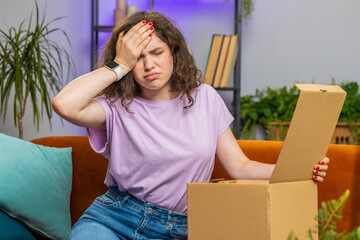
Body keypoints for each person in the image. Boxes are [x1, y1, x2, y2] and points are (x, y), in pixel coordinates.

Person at [52, 11, 329, 240]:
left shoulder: (205, 98)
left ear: (173, 52)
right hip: (115, 219)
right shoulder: (117, 107)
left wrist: (296, 171)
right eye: (138, 58)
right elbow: (64, 104)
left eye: (157, 52)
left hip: (181, 228)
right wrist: (119, 63)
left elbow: (239, 166)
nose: (149, 65)